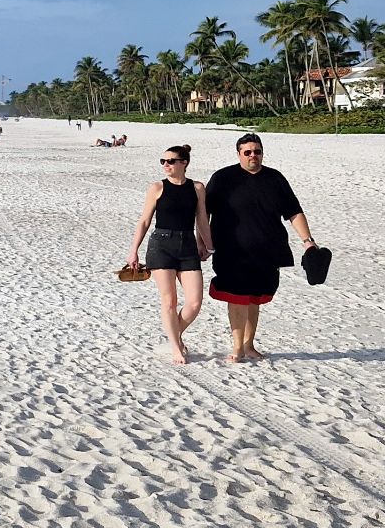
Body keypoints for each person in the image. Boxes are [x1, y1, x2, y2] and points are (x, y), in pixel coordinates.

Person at [206, 133, 317, 364]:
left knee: (255, 298)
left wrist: (308, 241)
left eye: (257, 151)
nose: (253, 155)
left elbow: (293, 212)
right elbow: (203, 212)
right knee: (237, 297)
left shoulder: (275, 179)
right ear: (239, 154)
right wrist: (203, 241)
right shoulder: (223, 178)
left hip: (268, 250)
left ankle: (249, 344)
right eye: (247, 152)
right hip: (231, 249)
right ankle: (237, 347)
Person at [125, 145, 212, 364]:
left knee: (194, 302)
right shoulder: (157, 187)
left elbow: (202, 219)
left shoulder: (197, 188)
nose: (166, 165)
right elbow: (144, 220)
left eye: (171, 161)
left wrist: (208, 246)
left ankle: (175, 333)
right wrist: (133, 250)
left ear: (184, 163)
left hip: (188, 245)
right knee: (169, 301)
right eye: (163, 161)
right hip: (161, 245)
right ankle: (176, 347)